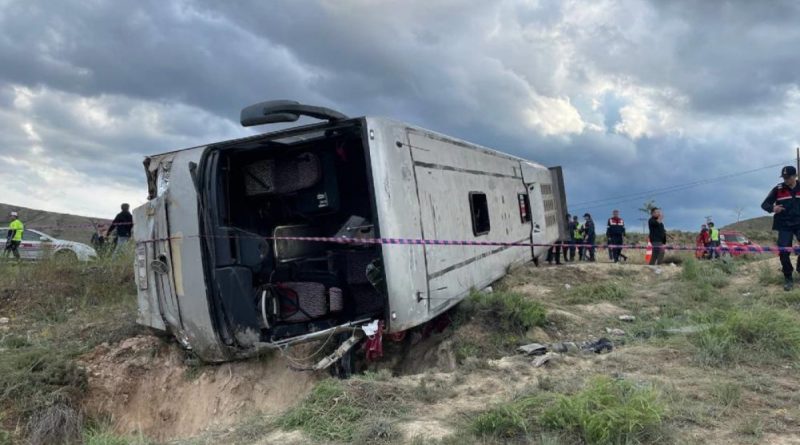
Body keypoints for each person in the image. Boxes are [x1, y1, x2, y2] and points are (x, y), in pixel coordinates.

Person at [761, 165, 800, 291]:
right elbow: (764, 204)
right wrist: (773, 208)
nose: (785, 180)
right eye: (784, 177)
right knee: (783, 251)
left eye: (788, 177)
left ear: (795, 176)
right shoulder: (778, 189)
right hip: (784, 225)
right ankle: (788, 277)